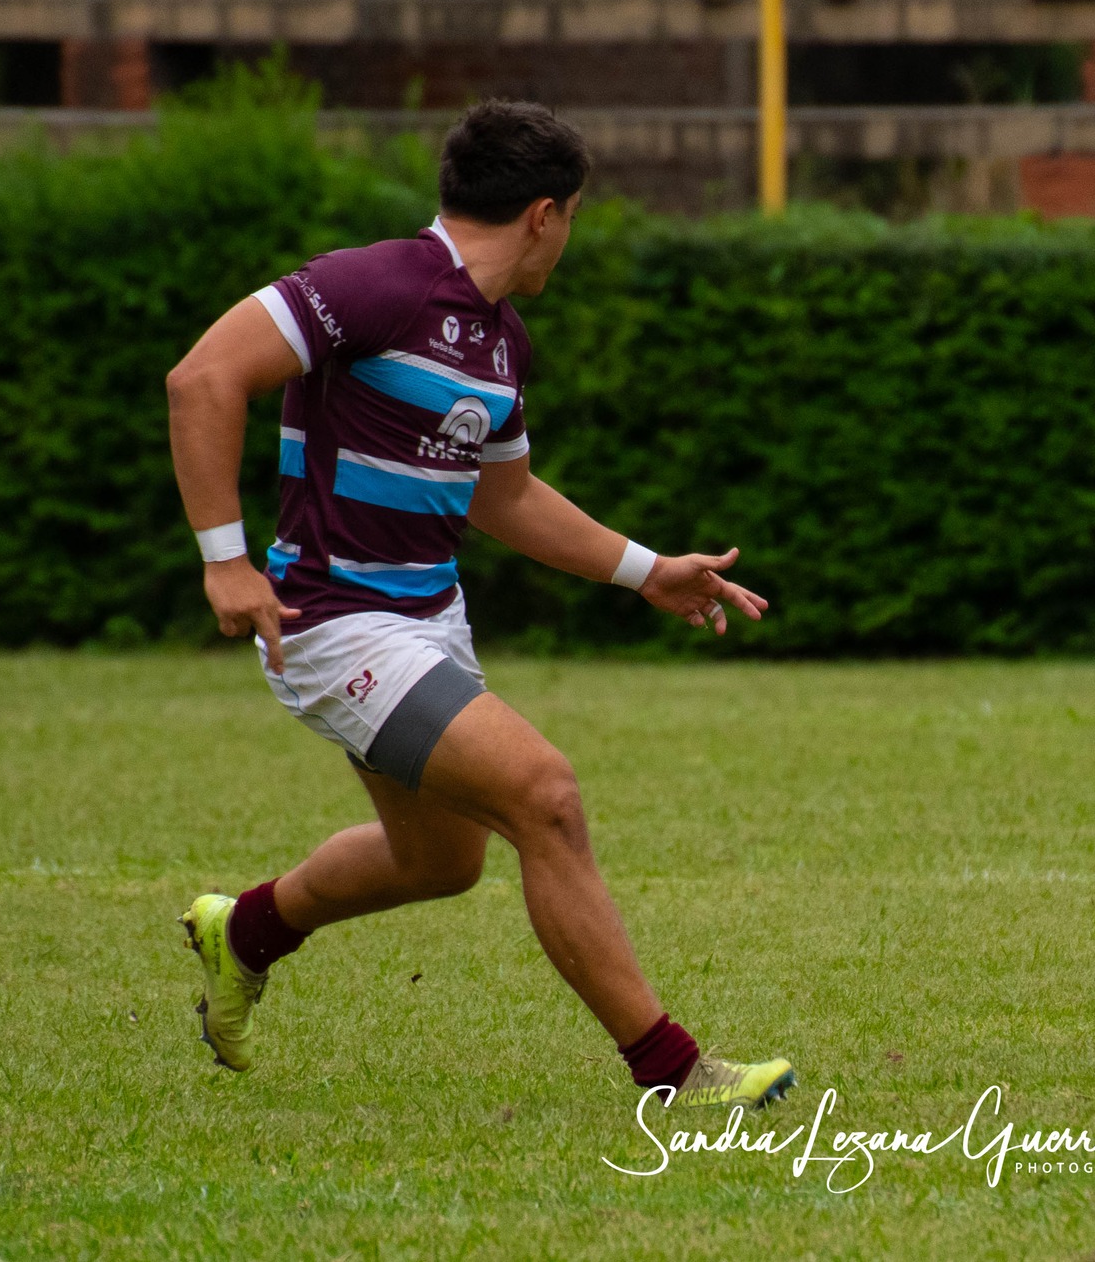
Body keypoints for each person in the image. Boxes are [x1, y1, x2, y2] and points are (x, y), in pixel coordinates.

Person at [164, 100, 796, 1110]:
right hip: (335, 623)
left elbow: (505, 498)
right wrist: (225, 562)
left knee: (439, 860)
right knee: (545, 794)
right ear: (545, 214)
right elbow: (203, 378)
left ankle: (242, 931)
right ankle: (675, 1070)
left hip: (428, 623)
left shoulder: (500, 340)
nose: (569, 237)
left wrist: (646, 570)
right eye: (574, 217)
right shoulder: (374, 283)